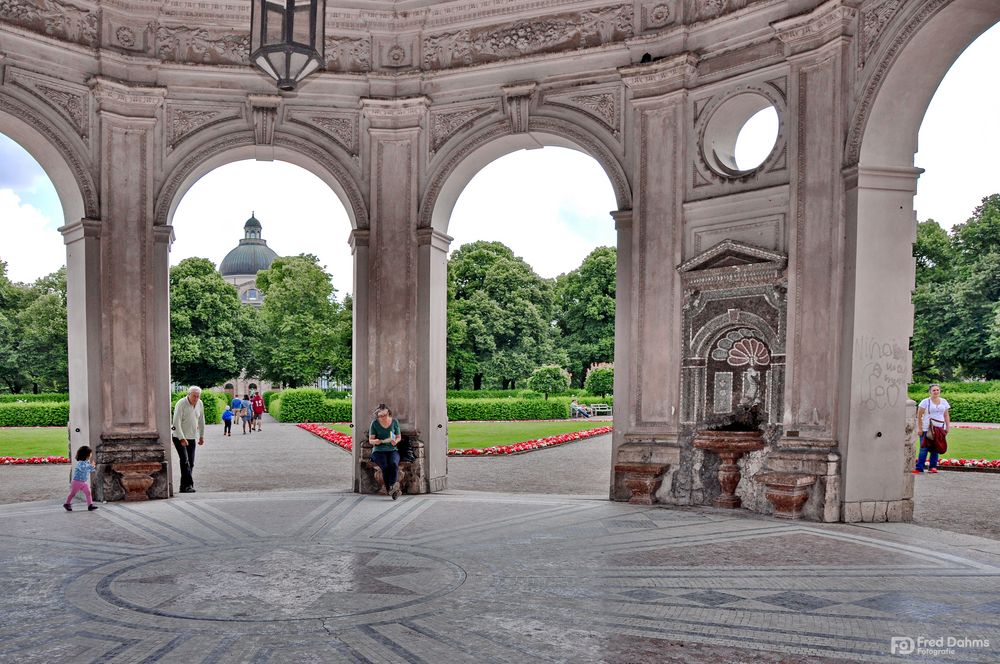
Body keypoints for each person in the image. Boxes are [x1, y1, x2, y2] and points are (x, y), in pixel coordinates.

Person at [172, 385, 206, 493]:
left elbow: (201, 420)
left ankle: (183, 486)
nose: (196, 398)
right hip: (179, 437)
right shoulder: (181, 403)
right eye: (194, 396)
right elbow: (176, 422)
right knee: (185, 461)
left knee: (191, 463)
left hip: (192, 437)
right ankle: (189, 485)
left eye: (198, 396)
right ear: (189, 394)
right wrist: (182, 438)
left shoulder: (200, 403)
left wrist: (201, 436)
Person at [914, 383, 950, 474]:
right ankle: (919, 468)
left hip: (939, 428)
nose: (936, 392)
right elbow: (919, 415)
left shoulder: (944, 401)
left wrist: (947, 427)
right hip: (927, 428)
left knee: (936, 448)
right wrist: (919, 428)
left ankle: (933, 467)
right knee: (924, 448)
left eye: (937, 390)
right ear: (930, 392)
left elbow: (946, 415)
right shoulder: (925, 402)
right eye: (934, 390)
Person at [369, 404, 402, 500]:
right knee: (385, 466)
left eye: (385, 415)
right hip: (378, 451)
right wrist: (376, 441)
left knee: (393, 463)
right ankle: (391, 489)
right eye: (380, 416)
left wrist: (395, 441)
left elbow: (399, 436)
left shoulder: (395, 422)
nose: (383, 417)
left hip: (392, 449)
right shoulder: (374, 423)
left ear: (389, 413)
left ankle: (392, 488)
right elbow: (371, 440)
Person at [63, 445, 97, 511]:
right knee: (72, 494)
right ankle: (67, 504)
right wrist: (91, 466)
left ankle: (90, 505)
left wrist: (93, 467)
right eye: (90, 453)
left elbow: (89, 470)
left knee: (88, 492)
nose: (91, 455)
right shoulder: (80, 463)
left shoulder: (87, 463)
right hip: (77, 482)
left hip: (83, 482)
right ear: (86, 454)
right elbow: (83, 468)